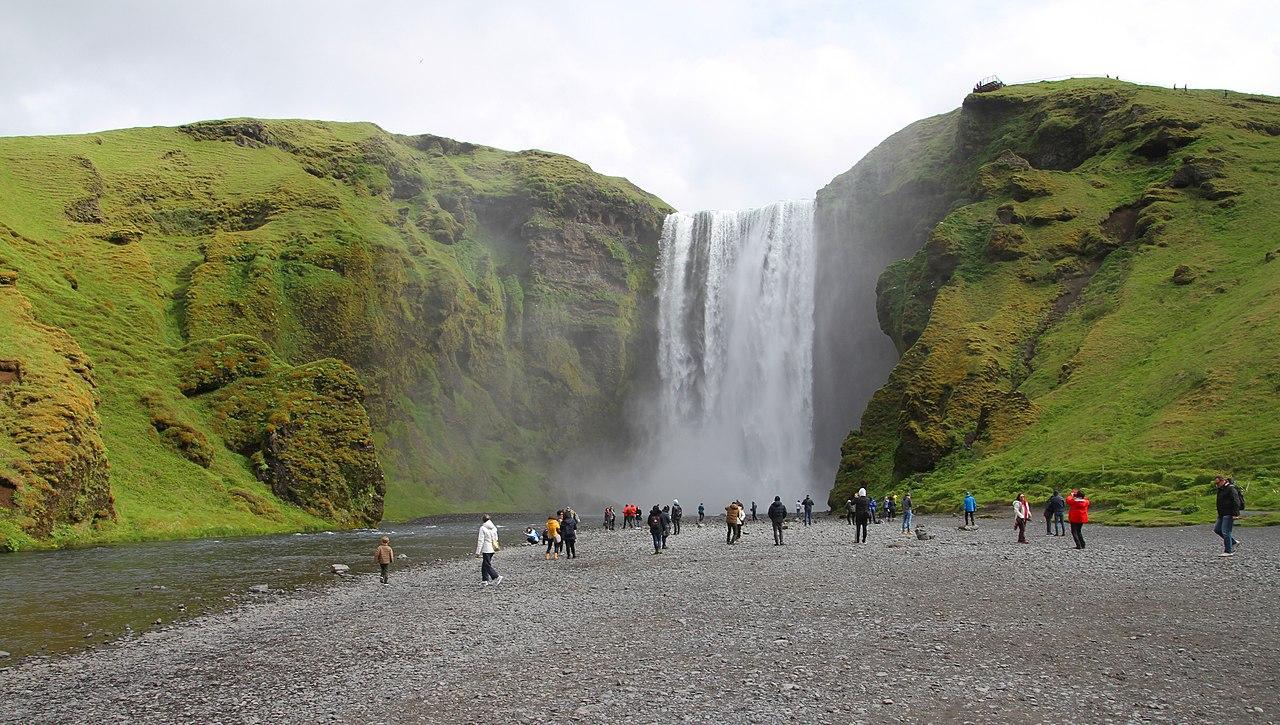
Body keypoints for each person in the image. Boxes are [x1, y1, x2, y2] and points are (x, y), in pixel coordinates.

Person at [1214, 476, 1244, 557]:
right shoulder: (1220, 489)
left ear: (1223, 481)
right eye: (1216, 483)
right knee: (1217, 529)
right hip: (1221, 513)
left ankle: (1228, 551)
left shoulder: (1231, 489)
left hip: (1229, 513)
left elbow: (1236, 501)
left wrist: (1235, 514)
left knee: (1226, 531)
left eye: (1218, 483)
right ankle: (1233, 542)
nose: (1217, 485)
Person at [476, 515, 502, 585]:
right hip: (492, 548)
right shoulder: (494, 528)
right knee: (485, 564)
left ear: (483, 520)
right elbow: (496, 538)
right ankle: (484, 580)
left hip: (486, 548)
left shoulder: (482, 528)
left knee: (486, 564)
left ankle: (497, 576)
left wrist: (478, 552)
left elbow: (480, 540)